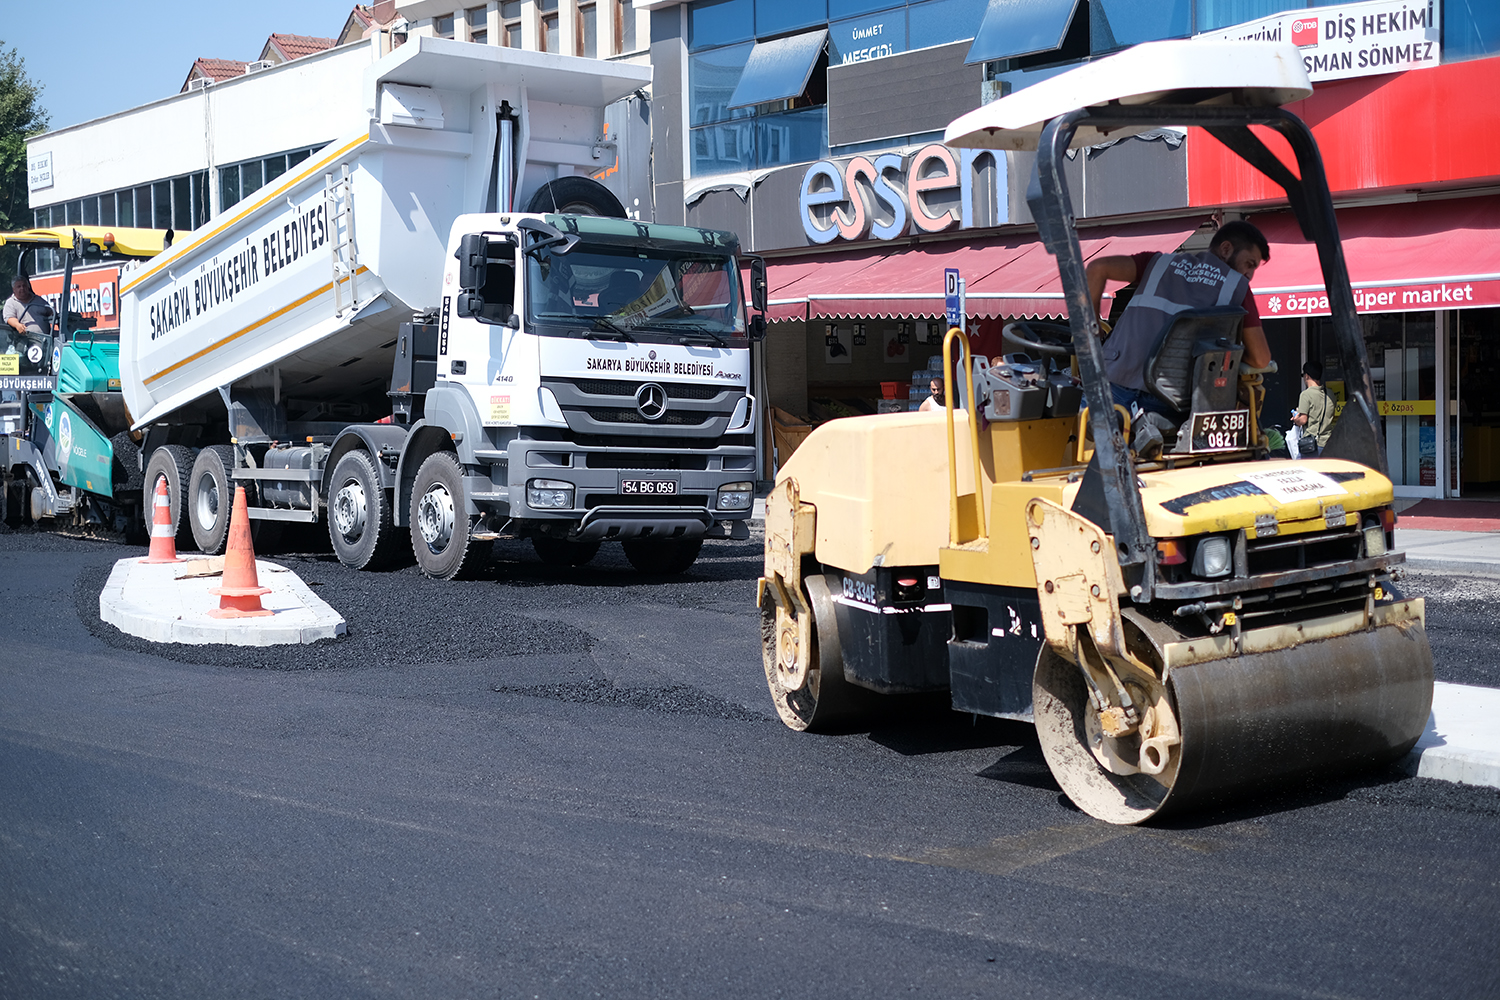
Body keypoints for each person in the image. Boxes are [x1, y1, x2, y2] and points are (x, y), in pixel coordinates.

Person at [1084, 220, 1272, 420]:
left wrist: (1092, 329)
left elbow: (1097, 268)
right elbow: (1261, 358)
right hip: (1168, 404)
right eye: (1249, 264)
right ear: (1226, 249)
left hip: (1111, 387)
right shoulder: (1237, 286)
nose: (1249, 275)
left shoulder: (1157, 264)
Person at [3, 275, 54, 356]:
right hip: (24, 341)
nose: (22, 288)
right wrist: (17, 325)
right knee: (11, 361)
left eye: (24, 286)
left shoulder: (38, 300)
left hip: (45, 341)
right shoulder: (10, 302)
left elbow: (51, 312)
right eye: (19, 286)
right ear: (14, 289)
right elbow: (9, 318)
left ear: (28, 287)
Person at [1293, 360, 1335, 457]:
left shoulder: (1306, 394)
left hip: (1311, 445)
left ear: (1307, 376)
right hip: (1328, 443)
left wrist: (1296, 418)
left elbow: (1303, 420)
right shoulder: (1330, 394)